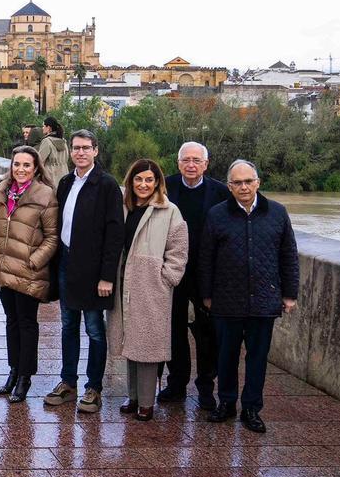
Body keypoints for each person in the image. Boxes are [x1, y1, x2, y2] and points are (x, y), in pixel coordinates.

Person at [200, 159, 298, 434]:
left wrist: (290, 294)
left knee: (257, 357)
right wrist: (206, 294)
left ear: (258, 183)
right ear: (229, 187)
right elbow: (206, 258)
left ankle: (252, 408)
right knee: (226, 356)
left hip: (264, 300)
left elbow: (288, 255)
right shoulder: (217, 215)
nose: (243, 187)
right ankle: (227, 403)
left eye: (248, 181)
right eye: (237, 183)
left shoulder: (277, 213)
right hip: (226, 300)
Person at [44, 129, 124, 414]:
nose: (80, 152)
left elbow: (115, 235)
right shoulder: (66, 182)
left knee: (94, 330)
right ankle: (68, 382)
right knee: (67, 326)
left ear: (95, 151)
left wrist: (106, 276)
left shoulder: (107, 185)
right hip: (67, 263)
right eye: (76, 148)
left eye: (85, 148)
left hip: (93, 270)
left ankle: (94, 387)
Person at [108, 159, 188, 421]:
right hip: (124, 282)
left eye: (149, 180)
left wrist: (166, 278)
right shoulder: (123, 207)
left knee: (147, 346)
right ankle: (132, 397)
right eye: (138, 179)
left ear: (157, 183)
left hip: (151, 286)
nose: (143, 185)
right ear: (130, 182)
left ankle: (146, 402)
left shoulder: (169, 211)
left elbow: (178, 250)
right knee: (129, 343)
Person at [158, 141, 229, 409]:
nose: (191, 165)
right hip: (173, 271)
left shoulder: (221, 193)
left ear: (206, 164)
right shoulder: (164, 187)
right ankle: (176, 383)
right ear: (178, 163)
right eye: (186, 160)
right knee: (172, 328)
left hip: (206, 274)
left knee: (207, 332)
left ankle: (206, 387)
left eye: (196, 161)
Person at [0, 145, 58, 403]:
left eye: (27, 165)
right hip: (5, 269)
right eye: (17, 164)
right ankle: (13, 370)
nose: (21, 169)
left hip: (28, 272)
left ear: (36, 168)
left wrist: (33, 261)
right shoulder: (3, 193)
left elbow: (52, 237)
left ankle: (26, 376)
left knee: (27, 324)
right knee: (11, 322)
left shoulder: (45, 195)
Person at [37, 116, 69, 187]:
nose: (42, 128)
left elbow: (40, 161)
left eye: (43, 126)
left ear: (48, 128)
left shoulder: (47, 141)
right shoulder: (63, 141)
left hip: (50, 177)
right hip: (64, 175)